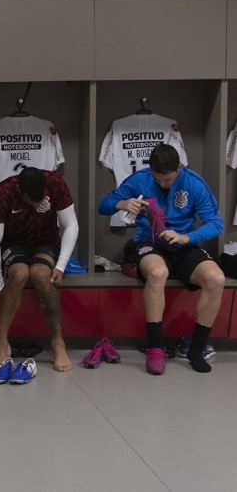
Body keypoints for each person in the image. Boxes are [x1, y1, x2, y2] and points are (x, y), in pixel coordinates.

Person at [99, 143, 224, 375]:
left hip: (183, 242)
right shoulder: (141, 179)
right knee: (158, 273)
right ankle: (155, 348)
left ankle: (196, 349)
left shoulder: (193, 183)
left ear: (178, 168)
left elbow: (216, 224)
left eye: (167, 179)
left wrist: (187, 237)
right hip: (149, 243)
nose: (162, 184)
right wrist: (121, 203)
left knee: (216, 278)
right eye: (158, 179)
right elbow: (103, 206)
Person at [0, 167, 79, 373]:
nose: (38, 204)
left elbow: (71, 224)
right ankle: (1, 340)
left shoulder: (55, 183)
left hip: (45, 242)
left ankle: (57, 341)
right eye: (32, 201)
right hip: (14, 243)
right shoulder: (3, 192)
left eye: (41, 199)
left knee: (41, 274)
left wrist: (61, 264)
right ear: (21, 191)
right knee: (19, 273)